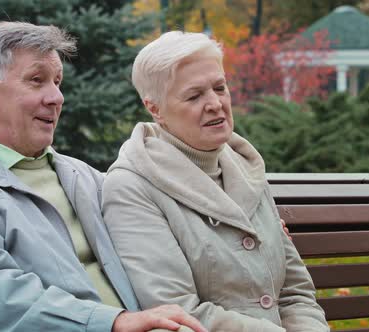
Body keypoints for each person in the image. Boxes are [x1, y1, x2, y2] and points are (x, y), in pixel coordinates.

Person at [0, 21, 207, 332]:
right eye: (37, 80)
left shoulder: (84, 178)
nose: (56, 97)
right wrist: (114, 323)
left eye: (57, 82)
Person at [102, 31, 330, 331]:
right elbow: (180, 311)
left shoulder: (246, 165)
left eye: (220, 88)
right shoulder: (132, 186)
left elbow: (295, 292)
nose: (215, 104)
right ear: (154, 108)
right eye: (195, 96)